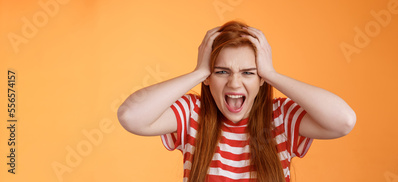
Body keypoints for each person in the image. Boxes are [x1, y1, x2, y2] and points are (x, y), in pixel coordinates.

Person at [117, 21, 356, 182]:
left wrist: (272, 74)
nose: (234, 83)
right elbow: (130, 117)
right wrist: (199, 71)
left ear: (260, 78)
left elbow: (344, 121)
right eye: (222, 71)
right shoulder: (193, 114)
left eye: (248, 72)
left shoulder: (280, 118)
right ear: (209, 77)